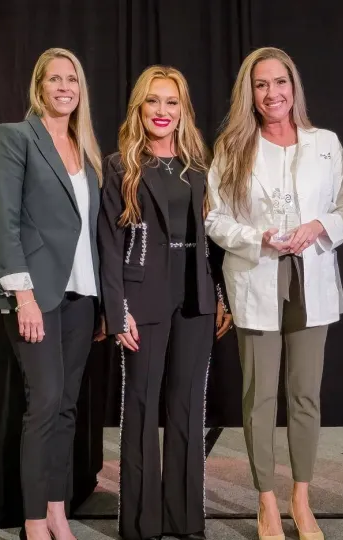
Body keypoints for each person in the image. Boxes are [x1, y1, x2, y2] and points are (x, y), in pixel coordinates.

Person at [205, 47, 343, 540]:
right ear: (249, 93)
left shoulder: (326, 143)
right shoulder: (231, 147)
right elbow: (214, 219)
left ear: (295, 87)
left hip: (311, 281)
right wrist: (258, 237)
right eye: (261, 85)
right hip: (258, 278)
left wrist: (319, 225)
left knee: (305, 395)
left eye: (280, 82)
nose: (273, 94)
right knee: (260, 397)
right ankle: (266, 500)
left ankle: (301, 499)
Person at [97, 65, 232, 540]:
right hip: (142, 299)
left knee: (188, 410)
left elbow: (216, 241)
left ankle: (184, 520)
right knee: (139, 407)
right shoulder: (120, 166)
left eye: (171, 102)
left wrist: (222, 296)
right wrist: (117, 311)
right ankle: (139, 525)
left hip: (195, 298)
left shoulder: (201, 165)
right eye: (153, 101)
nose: (162, 111)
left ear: (183, 110)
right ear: (139, 107)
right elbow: (108, 247)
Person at [0, 47, 102, 540]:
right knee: (46, 400)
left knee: (68, 404)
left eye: (72, 79)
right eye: (54, 79)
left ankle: (57, 510)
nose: (64, 88)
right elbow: (2, 219)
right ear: (39, 86)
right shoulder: (14, 137)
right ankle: (34, 522)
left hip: (81, 294)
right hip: (35, 294)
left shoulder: (85, 147)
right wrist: (23, 295)